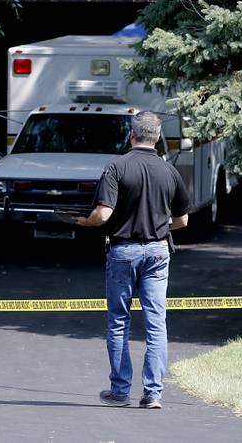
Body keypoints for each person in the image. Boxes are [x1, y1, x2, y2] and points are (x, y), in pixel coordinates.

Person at [74, 111, 192, 409]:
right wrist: (160, 226)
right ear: (157, 138)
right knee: (156, 323)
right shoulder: (169, 171)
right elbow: (183, 220)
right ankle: (153, 393)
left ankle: (120, 390)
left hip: (124, 252)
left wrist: (83, 222)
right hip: (158, 251)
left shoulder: (117, 166)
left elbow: (103, 215)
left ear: (131, 135)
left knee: (118, 321)